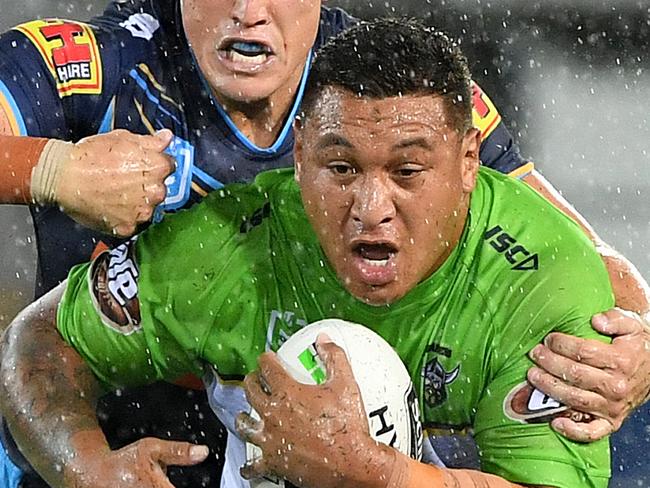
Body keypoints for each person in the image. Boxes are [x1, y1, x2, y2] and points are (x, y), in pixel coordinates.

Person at [0, 0, 648, 485]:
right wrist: (51, 169)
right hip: (102, 440)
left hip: (345, 419)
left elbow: (585, 266)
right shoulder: (91, 64)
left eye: (405, 171)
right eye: (341, 168)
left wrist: (641, 342)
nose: (249, 11)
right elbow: (37, 347)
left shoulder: (390, 85)